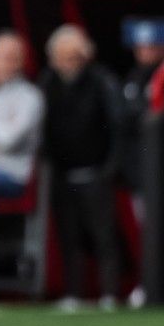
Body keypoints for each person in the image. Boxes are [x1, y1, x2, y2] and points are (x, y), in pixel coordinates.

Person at [40, 25, 122, 310]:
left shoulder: (101, 81)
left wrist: (110, 167)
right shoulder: (47, 83)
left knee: (103, 235)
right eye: (62, 57)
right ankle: (73, 292)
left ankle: (110, 293)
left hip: (95, 171)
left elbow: (116, 124)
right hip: (62, 172)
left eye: (73, 57)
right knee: (68, 235)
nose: (68, 63)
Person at [0, 30, 44, 199]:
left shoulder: (30, 96)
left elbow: (8, 140)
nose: (7, 63)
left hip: (10, 173)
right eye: (2, 56)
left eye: (13, 58)